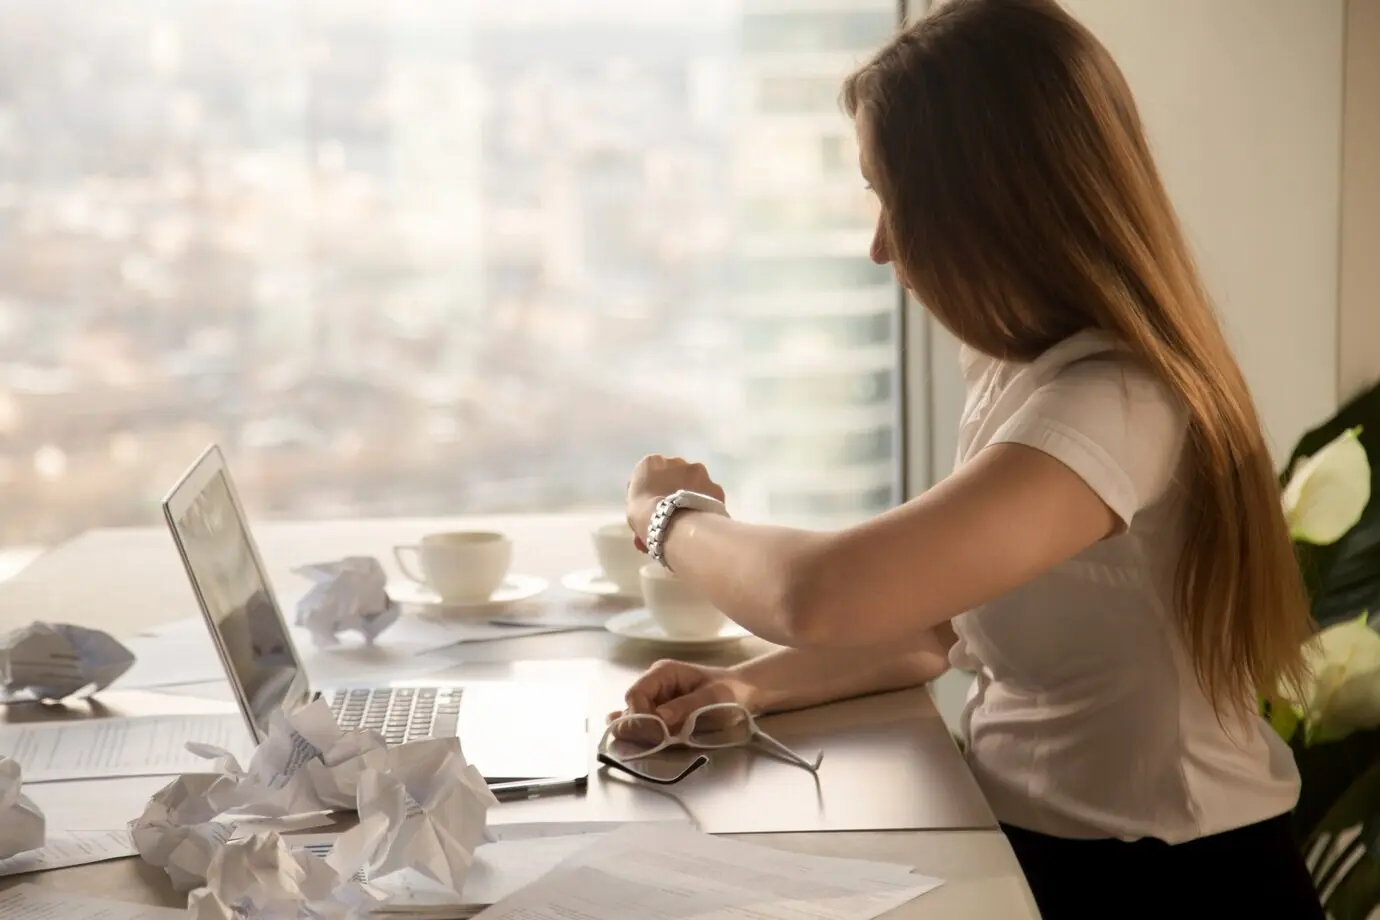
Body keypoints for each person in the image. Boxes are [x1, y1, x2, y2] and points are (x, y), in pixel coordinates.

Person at [614, 1, 1325, 916]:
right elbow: (936, 626)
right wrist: (745, 685)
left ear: (991, 208)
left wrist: (669, 517)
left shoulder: (1116, 404)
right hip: (1042, 853)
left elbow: (823, 593)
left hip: (1173, 882)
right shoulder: (1018, 369)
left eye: (894, 202)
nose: (880, 246)